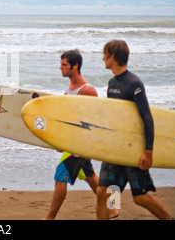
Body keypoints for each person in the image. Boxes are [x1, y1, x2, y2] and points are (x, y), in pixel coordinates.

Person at [96, 40, 172, 220]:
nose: (102, 58)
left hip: (133, 150)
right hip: (116, 149)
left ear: (113, 57)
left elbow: (147, 117)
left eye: (105, 54)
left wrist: (148, 151)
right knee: (103, 191)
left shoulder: (134, 83)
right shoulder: (111, 83)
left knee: (140, 197)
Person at [43, 49, 119, 220]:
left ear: (75, 66)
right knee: (90, 176)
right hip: (73, 142)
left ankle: (49, 217)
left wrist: (86, 144)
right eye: (60, 64)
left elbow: (97, 119)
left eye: (64, 65)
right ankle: (113, 209)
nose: (60, 68)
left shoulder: (87, 90)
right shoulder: (70, 88)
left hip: (81, 145)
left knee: (59, 176)